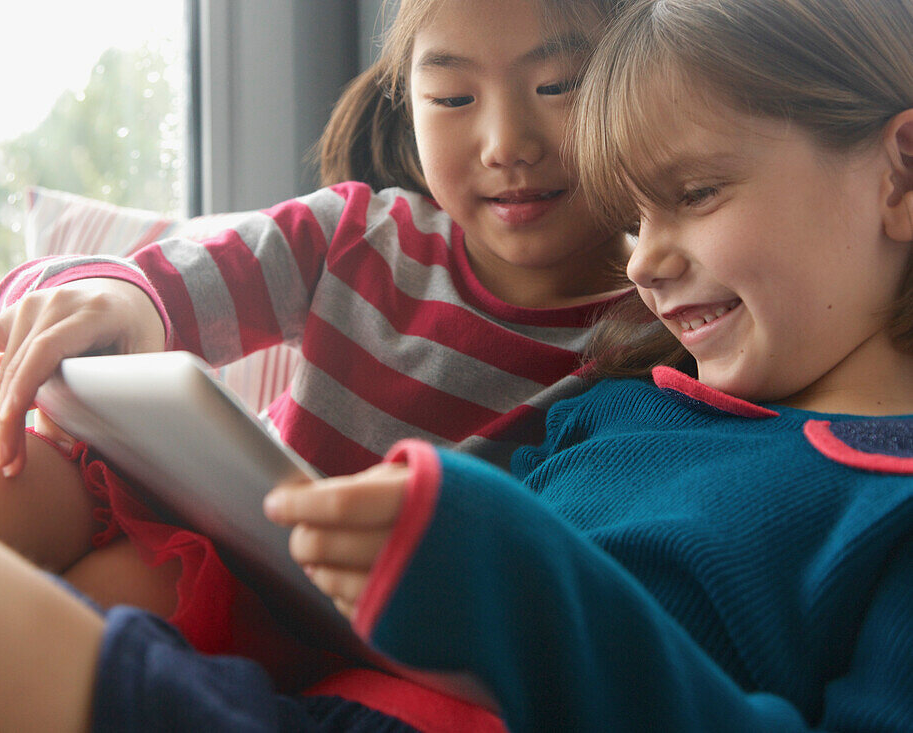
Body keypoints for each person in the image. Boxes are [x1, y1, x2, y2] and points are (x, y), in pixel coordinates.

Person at [0, 0, 627, 730]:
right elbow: (164, 282)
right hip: (212, 512)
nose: (506, 143)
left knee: (113, 596)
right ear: (406, 101)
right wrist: (119, 300)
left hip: (322, 621)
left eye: (558, 86)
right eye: (452, 99)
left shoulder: (646, 339)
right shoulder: (359, 230)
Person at [262, 0, 913, 729]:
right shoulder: (614, 405)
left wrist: (530, 586)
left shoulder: (888, 510)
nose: (642, 263)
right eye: (632, 219)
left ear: (901, 177)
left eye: (695, 194)